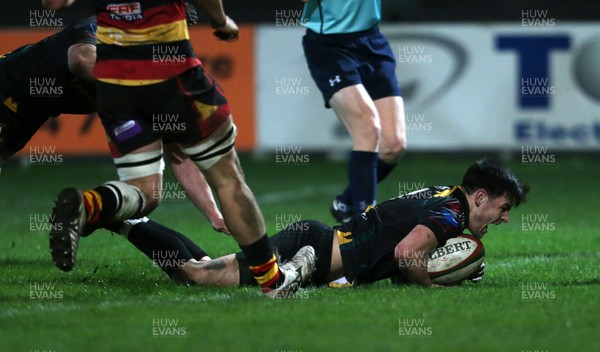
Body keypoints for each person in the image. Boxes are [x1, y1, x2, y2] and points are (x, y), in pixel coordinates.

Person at [42, 0, 315, 298]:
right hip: (172, 77)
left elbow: (53, 4)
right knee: (228, 180)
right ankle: (273, 282)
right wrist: (220, 21)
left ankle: (89, 204)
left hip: (116, 85)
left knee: (145, 192)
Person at [0, 16, 227, 252]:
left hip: (26, 114)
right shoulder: (112, 27)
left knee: (149, 194)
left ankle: (90, 211)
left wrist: (214, 214)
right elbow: (81, 59)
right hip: (6, 83)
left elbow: (180, 156)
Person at [121, 160, 528, 288]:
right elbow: (406, 254)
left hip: (320, 241)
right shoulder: (450, 214)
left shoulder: (445, 195)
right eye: (504, 207)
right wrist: (433, 287)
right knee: (197, 276)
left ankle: (130, 221)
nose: (504, 218)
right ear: (479, 198)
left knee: (205, 265)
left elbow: (395, 251)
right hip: (315, 247)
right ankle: (125, 219)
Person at [301, 0, 407, 222]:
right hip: (330, 45)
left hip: (372, 41)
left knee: (393, 145)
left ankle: (346, 203)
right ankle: (365, 229)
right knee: (368, 129)